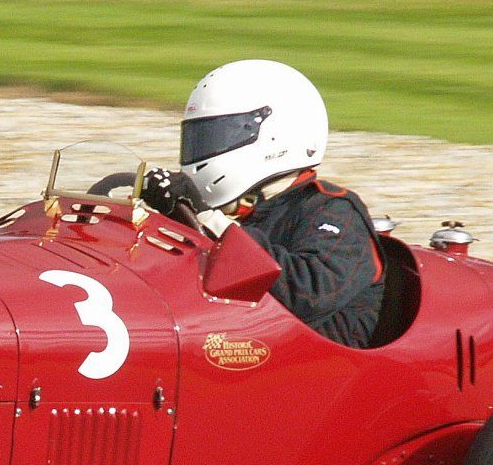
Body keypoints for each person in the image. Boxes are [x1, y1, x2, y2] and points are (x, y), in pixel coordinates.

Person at [148, 59, 384, 349]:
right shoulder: (249, 209)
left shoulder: (335, 211)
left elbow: (308, 294)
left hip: (315, 372)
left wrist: (213, 221)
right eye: (202, 137)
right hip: (238, 351)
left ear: (277, 135)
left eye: (222, 135)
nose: (206, 147)